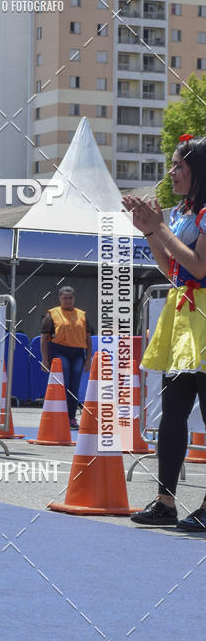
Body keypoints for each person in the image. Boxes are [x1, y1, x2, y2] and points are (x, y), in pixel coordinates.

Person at [123, 137, 206, 531]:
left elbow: (199, 266)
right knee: (172, 413)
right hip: (183, 316)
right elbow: (171, 268)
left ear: (198, 169)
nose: (171, 172)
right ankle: (165, 500)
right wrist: (150, 231)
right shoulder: (181, 212)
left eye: (178, 165)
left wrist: (160, 229)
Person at [40, 286, 93, 428]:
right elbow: (44, 338)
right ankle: (59, 416)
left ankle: (71, 417)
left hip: (77, 353)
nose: (68, 301)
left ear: (74, 299)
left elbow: (88, 338)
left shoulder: (82, 315)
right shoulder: (52, 314)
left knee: (74, 386)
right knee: (63, 382)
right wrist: (45, 359)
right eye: (65, 298)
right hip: (59, 351)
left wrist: (88, 359)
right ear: (60, 298)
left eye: (70, 298)